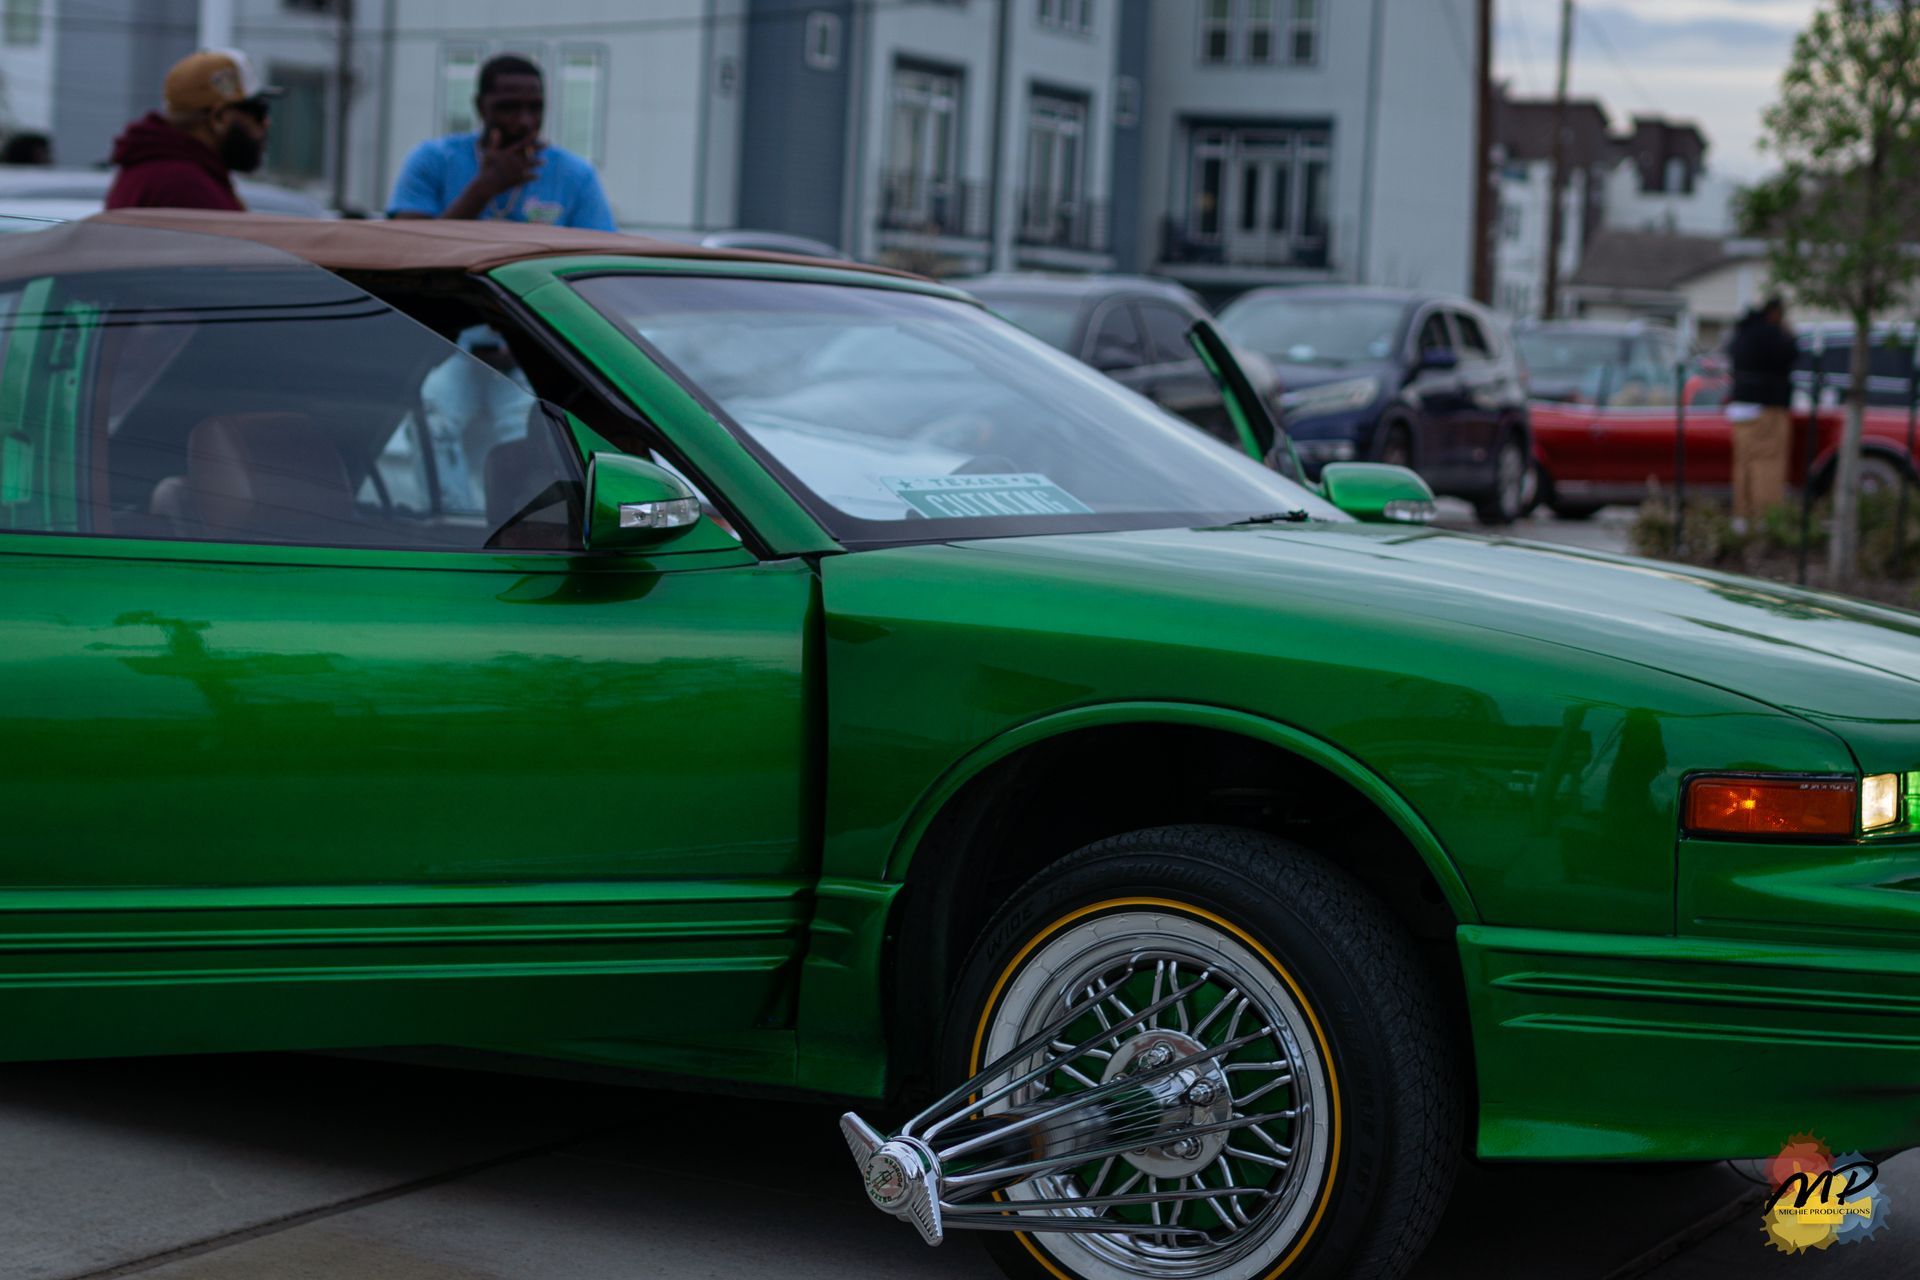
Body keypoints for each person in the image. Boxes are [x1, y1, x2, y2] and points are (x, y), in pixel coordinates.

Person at [387, 54, 615, 230]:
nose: (525, 121)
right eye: (509, 107)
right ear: (480, 106)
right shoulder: (433, 159)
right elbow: (408, 249)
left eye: (535, 107)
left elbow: (602, 257)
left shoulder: (575, 175)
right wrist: (483, 189)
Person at [105, 49, 275, 212]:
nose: (267, 122)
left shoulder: (152, 168)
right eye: (258, 112)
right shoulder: (184, 186)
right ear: (219, 117)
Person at [1725, 296, 1799, 529]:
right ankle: (1765, 518)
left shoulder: (1742, 333)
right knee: (1767, 463)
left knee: (1744, 463)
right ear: (1775, 313)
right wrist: (1787, 334)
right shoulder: (1772, 335)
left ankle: (1742, 515)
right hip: (1767, 405)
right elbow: (1791, 354)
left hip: (1741, 406)